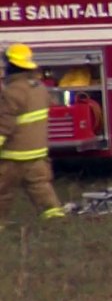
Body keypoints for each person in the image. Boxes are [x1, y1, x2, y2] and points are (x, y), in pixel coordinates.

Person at [0, 43, 64, 224]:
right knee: (41, 188)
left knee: (2, 192)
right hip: (37, 153)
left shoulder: (12, 92)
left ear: (11, 65)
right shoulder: (39, 88)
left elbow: (4, 124)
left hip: (14, 156)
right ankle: (56, 221)